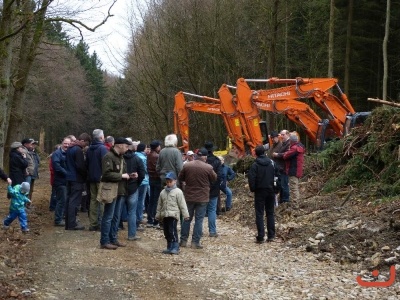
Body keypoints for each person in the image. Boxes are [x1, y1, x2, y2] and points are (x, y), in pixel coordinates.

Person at [179, 148, 217, 249]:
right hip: (202, 197)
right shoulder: (208, 167)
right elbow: (214, 178)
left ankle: (183, 241)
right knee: (199, 220)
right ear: (204, 157)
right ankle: (195, 242)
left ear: (196, 155)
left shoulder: (187, 165)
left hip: (189, 196)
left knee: (187, 219)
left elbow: (180, 177)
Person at [99, 137, 131, 250]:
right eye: (126, 146)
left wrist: (129, 175)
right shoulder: (108, 157)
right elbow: (106, 174)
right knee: (108, 216)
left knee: (116, 217)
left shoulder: (121, 157)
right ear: (120, 145)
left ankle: (113, 238)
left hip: (120, 190)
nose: (127, 149)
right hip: (111, 190)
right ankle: (104, 241)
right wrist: (121, 176)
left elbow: (122, 172)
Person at [248, 145, 277, 244]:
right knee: (270, 213)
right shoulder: (272, 163)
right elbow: (277, 175)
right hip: (270, 190)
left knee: (259, 213)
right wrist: (276, 189)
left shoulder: (255, 165)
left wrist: (253, 189)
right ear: (264, 152)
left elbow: (251, 178)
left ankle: (261, 236)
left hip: (260, 191)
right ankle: (271, 235)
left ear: (255, 153)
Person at [156, 171, 189, 254]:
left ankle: (175, 246)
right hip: (165, 215)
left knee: (172, 231)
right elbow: (159, 204)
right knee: (166, 231)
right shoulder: (163, 192)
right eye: (167, 182)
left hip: (173, 215)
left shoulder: (178, 192)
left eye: (170, 181)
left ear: (175, 181)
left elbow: (182, 204)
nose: (169, 183)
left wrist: (185, 215)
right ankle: (169, 246)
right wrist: (158, 214)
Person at [65, 133, 91, 230]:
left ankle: (68, 223)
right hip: (76, 178)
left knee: (69, 200)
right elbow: (80, 166)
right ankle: (72, 224)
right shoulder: (78, 150)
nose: (86, 146)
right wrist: (85, 174)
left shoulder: (70, 148)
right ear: (83, 141)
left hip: (69, 177)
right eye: (86, 143)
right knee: (74, 201)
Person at [86, 129, 108, 231]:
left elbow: (87, 164)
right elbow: (105, 165)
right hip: (101, 178)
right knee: (103, 201)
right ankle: (103, 223)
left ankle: (93, 223)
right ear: (101, 137)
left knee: (93, 201)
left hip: (91, 178)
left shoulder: (89, 149)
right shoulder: (102, 149)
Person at [123, 139, 145, 241]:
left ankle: (114, 232)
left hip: (121, 187)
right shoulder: (137, 159)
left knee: (117, 210)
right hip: (133, 187)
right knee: (132, 212)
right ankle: (132, 234)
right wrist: (137, 183)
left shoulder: (120, 158)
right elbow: (142, 174)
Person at [204, 141, 222, 237]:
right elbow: (219, 176)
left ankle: (198, 231)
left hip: (202, 188)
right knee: (212, 210)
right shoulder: (217, 161)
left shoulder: (202, 161)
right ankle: (212, 231)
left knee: (200, 210)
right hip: (214, 189)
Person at [51, 137, 71, 226]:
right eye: (65, 143)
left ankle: (63, 217)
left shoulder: (69, 153)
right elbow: (57, 167)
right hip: (60, 181)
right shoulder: (57, 154)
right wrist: (67, 173)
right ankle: (58, 220)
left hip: (67, 181)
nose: (66, 145)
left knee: (65, 200)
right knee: (61, 200)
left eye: (68, 144)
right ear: (62, 143)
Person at [283, 132, 305, 203]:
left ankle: (295, 205)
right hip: (297, 170)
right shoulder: (299, 146)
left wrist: (285, 153)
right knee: (295, 187)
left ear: (291, 141)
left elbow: (285, 156)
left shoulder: (294, 148)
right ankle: (296, 203)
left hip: (293, 170)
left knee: (293, 188)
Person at [272, 129, 291, 203]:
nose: (282, 136)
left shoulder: (288, 143)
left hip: (284, 167)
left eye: (283, 135)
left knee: (284, 185)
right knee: (281, 185)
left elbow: (287, 154)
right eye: (281, 135)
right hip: (280, 167)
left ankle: (285, 200)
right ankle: (282, 199)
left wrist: (277, 155)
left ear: (287, 134)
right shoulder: (284, 143)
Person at [147, 140, 162, 228]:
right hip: (156, 179)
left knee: (152, 199)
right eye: (159, 146)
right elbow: (158, 169)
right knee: (156, 200)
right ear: (157, 147)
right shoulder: (157, 156)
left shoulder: (148, 155)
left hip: (151, 179)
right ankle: (154, 220)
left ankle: (150, 219)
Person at [135, 143, 150, 231]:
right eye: (145, 148)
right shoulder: (144, 158)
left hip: (135, 181)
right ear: (143, 149)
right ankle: (139, 218)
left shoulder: (134, 156)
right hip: (143, 181)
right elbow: (145, 170)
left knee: (135, 200)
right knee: (141, 201)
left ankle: (135, 218)